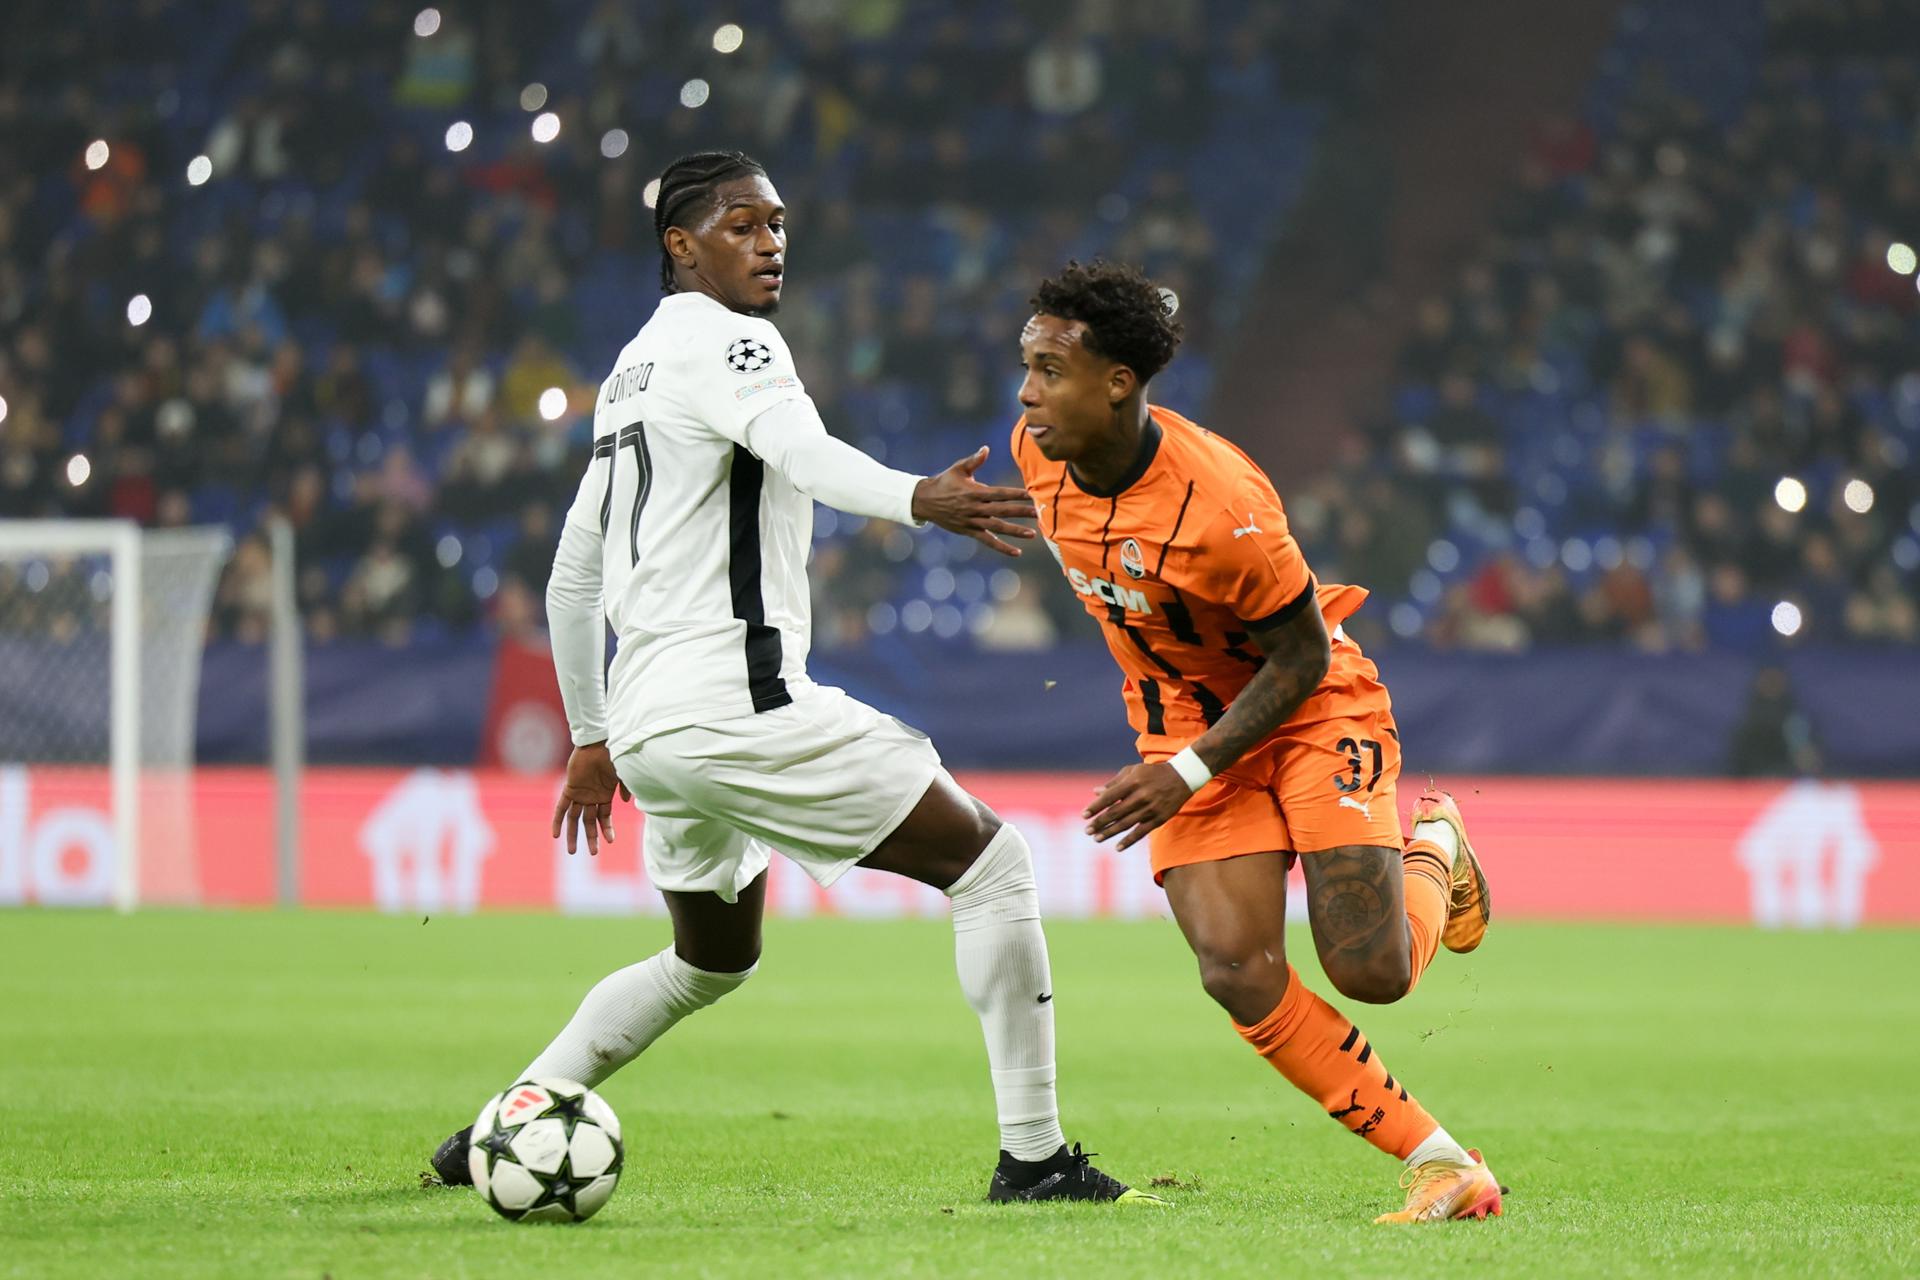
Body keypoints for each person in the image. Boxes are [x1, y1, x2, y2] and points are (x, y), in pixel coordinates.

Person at [429, 154, 1159, 1206]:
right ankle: (1036, 1159)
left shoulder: (630, 373)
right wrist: (919, 498)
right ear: (681, 244)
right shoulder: (735, 342)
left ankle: (508, 1121)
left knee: (709, 961)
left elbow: (571, 576)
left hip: (650, 724)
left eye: (777, 224)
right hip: (734, 703)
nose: (770, 244)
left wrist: (593, 733)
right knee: (993, 866)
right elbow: (804, 453)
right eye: (742, 225)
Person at [1008, 259, 1500, 1223]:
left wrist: (1186, 772)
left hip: (1310, 707)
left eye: (1050, 372)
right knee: (1234, 968)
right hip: (1182, 722)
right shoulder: (1038, 452)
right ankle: (1442, 1162)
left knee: (1372, 972)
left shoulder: (1221, 505)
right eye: (1026, 366)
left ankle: (1437, 845)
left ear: (1118, 384)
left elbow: (1303, 654)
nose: (1027, 394)